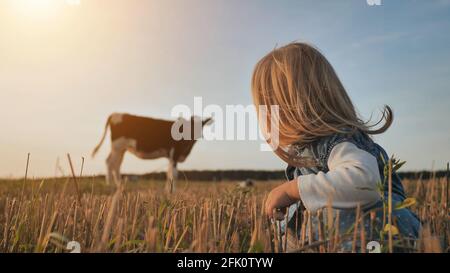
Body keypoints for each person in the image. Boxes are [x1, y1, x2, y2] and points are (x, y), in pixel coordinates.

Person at [251, 42, 421, 252]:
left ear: (292, 107)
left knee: (328, 218)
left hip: (381, 229)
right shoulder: (309, 148)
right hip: (356, 234)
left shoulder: (336, 140)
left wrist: (294, 189)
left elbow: (363, 183)